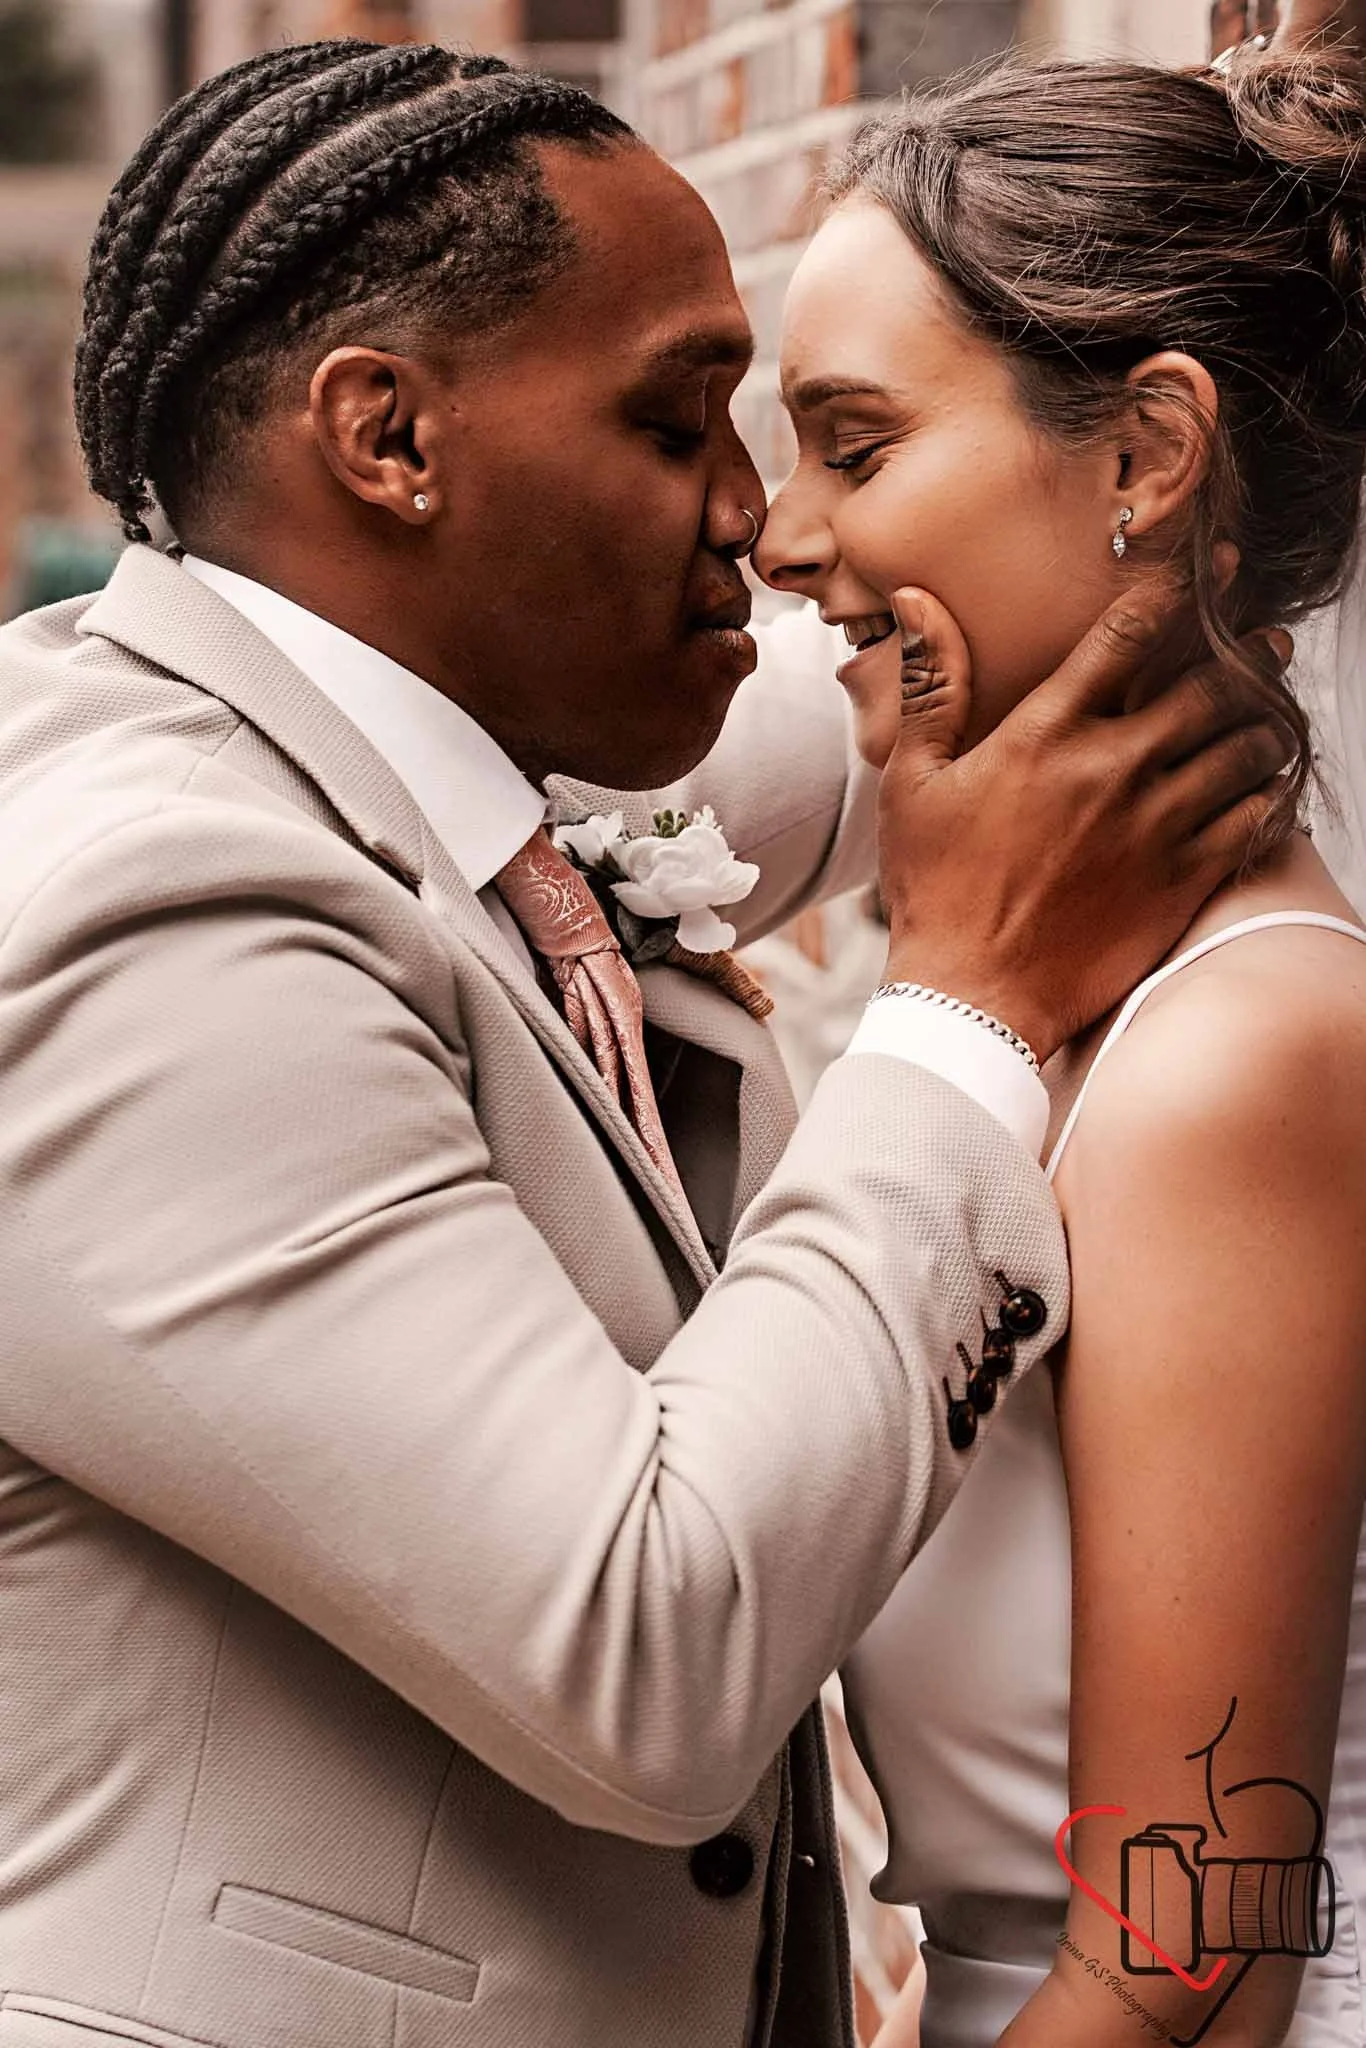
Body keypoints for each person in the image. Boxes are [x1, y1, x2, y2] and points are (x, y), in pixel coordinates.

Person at [0, 42, 1290, 2048]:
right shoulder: (145, 902)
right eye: (683, 415)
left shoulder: (423, 746)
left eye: (829, 442)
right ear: (389, 439)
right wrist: (967, 1007)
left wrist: (1105, 579)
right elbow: (644, 1647)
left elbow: (907, 683)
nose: (764, 522)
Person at [755, 25, 1366, 2048]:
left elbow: (1190, 1951)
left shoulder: (1234, 1059)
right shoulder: (1082, 1013)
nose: (778, 534)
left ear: (1140, 455)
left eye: (851, 445)